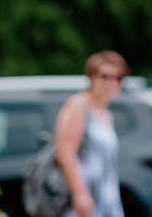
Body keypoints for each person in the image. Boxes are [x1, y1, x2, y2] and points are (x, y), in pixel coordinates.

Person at [54, 51, 128, 217]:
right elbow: (65, 152)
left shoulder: (106, 113)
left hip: (106, 196)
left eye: (118, 77)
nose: (112, 82)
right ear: (92, 77)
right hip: (85, 196)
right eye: (105, 76)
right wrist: (80, 194)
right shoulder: (79, 105)